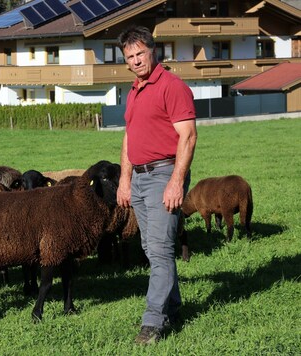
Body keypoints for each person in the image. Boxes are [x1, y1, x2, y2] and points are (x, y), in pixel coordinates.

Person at [116, 26, 197, 345]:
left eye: (140, 53)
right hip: (139, 178)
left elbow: (188, 136)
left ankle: (152, 323)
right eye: (130, 56)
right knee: (152, 249)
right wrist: (125, 179)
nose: (136, 60)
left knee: (161, 251)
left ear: (153, 51)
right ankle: (173, 306)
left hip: (164, 173)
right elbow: (129, 136)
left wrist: (177, 182)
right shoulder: (135, 90)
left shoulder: (172, 86)